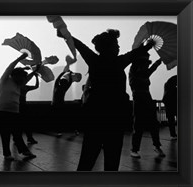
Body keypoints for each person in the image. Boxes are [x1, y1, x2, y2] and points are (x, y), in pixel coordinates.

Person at [57, 29, 154, 171]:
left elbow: (80, 45)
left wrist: (66, 35)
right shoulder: (119, 62)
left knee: (87, 160)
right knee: (112, 161)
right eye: (116, 44)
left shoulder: (95, 60)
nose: (118, 47)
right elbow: (134, 54)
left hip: (95, 117)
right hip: (115, 118)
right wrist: (147, 46)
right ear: (109, 47)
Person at [0, 53, 36, 160]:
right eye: (22, 78)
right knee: (5, 134)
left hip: (14, 112)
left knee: (17, 133)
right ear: (15, 76)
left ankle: (24, 151)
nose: (24, 81)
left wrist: (36, 71)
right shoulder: (5, 80)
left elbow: (28, 77)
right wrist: (20, 58)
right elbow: (10, 67)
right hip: (2, 111)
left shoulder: (19, 84)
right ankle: (7, 154)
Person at [128, 52, 165, 158]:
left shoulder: (144, 72)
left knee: (154, 123)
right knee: (138, 124)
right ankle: (134, 149)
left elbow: (151, 69)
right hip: (139, 98)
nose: (147, 66)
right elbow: (148, 71)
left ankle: (157, 146)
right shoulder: (134, 72)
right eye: (145, 63)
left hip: (147, 97)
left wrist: (158, 62)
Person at [51, 65, 82, 137]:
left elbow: (57, 79)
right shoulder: (64, 88)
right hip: (60, 104)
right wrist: (69, 74)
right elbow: (69, 81)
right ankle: (72, 130)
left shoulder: (57, 86)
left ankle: (61, 131)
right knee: (63, 119)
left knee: (59, 119)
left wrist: (64, 73)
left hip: (56, 104)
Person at [19, 67, 40, 144]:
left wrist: (35, 75)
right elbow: (36, 86)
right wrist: (36, 76)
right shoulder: (24, 87)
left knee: (20, 124)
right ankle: (29, 138)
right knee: (26, 123)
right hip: (22, 106)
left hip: (19, 106)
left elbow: (35, 86)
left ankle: (18, 139)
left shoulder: (19, 86)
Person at [163, 75, 177, 140]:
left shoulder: (167, 87)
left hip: (169, 104)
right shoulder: (174, 90)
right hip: (173, 104)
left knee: (171, 120)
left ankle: (173, 134)